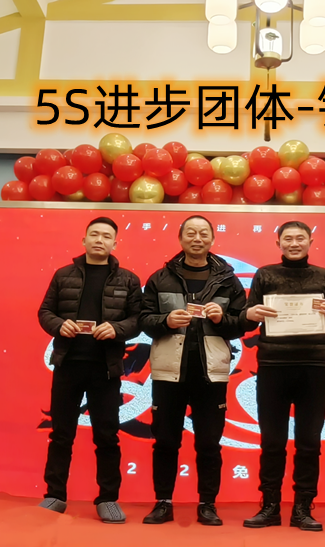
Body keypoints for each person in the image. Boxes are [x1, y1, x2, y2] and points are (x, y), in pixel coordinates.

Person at [240, 221, 325, 532]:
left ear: (310, 241)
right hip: (272, 366)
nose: (294, 243)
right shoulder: (265, 275)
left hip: (313, 367)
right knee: (272, 441)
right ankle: (270, 506)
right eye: (287, 238)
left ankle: (303, 507)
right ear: (278, 243)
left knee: (309, 442)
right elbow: (246, 320)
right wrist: (251, 314)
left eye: (300, 238)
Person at [139, 215, 247, 526]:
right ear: (180, 238)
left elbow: (242, 324)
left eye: (203, 233)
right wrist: (165, 321)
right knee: (165, 441)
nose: (197, 238)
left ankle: (207, 504)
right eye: (190, 233)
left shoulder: (228, 280)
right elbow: (143, 319)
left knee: (209, 443)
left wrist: (221, 319)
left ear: (212, 239)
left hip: (211, 373)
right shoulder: (160, 278)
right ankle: (163, 502)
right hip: (168, 371)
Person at [36, 217, 142, 523]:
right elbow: (45, 312)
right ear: (84, 240)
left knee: (107, 435)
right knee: (61, 434)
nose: (99, 240)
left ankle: (108, 498)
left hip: (106, 369)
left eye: (106, 236)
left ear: (115, 243)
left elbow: (138, 319)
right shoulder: (63, 275)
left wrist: (117, 328)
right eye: (94, 234)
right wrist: (59, 324)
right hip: (68, 365)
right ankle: (55, 495)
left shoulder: (128, 280)